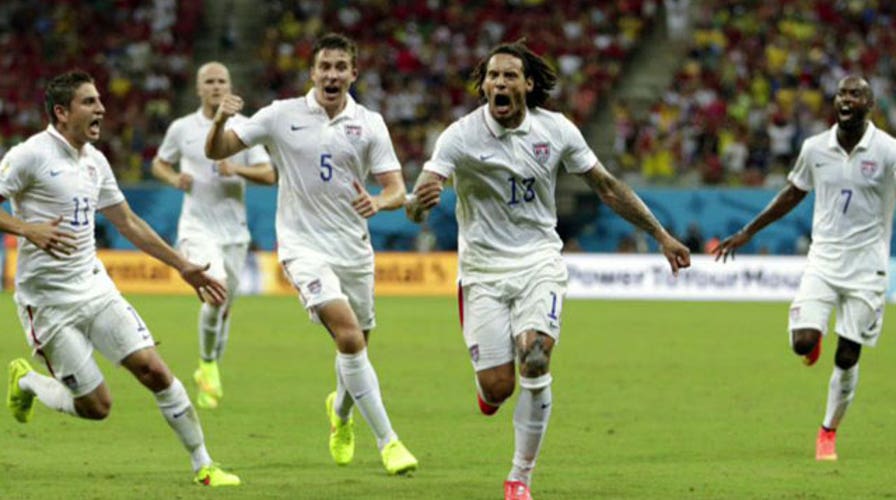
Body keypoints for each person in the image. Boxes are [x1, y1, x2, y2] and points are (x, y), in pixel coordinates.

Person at [405, 40, 691, 500]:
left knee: (536, 357)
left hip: (539, 261)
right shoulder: (459, 135)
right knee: (498, 388)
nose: (499, 83)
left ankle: (519, 478)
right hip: (481, 270)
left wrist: (660, 234)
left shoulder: (556, 130)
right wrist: (417, 206)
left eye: (509, 76)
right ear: (483, 86)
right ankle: (490, 391)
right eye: (492, 77)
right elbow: (422, 194)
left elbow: (607, 186)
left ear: (528, 84)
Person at [2, 70, 240, 486]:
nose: (102, 108)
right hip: (48, 304)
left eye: (99, 100)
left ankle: (204, 464)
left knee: (154, 370)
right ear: (61, 112)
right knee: (97, 406)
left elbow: (128, 222)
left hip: (95, 288)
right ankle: (28, 380)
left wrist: (182, 264)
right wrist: (28, 229)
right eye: (89, 102)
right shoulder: (29, 156)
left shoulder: (96, 161)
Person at [205, 33, 418, 475]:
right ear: (313, 72)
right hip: (302, 248)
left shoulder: (370, 123)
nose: (332, 74)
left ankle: (339, 415)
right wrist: (219, 122)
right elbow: (217, 151)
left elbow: (397, 189)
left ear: (353, 74)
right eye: (325, 66)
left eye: (341, 67)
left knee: (356, 345)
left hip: (353, 249)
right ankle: (389, 441)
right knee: (349, 336)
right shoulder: (282, 115)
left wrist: (379, 202)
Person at [713, 75, 896, 462]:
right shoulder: (815, 148)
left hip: (867, 267)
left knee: (847, 357)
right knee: (802, 342)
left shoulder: (887, 151)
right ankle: (813, 341)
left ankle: (827, 431)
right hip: (824, 260)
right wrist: (747, 232)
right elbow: (793, 192)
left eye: (856, 94)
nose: (846, 98)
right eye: (842, 92)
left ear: (870, 105)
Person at [151, 62, 274, 410]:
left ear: (230, 87)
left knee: (224, 308)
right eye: (210, 81)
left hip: (234, 232)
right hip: (196, 228)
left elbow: (269, 174)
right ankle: (207, 364)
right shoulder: (182, 128)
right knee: (215, 294)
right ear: (198, 88)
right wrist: (174, 179)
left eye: (222, 81)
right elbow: (160, 163)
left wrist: (236, 167)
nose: (216, 86)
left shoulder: (244, 130)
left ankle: (209, 367)